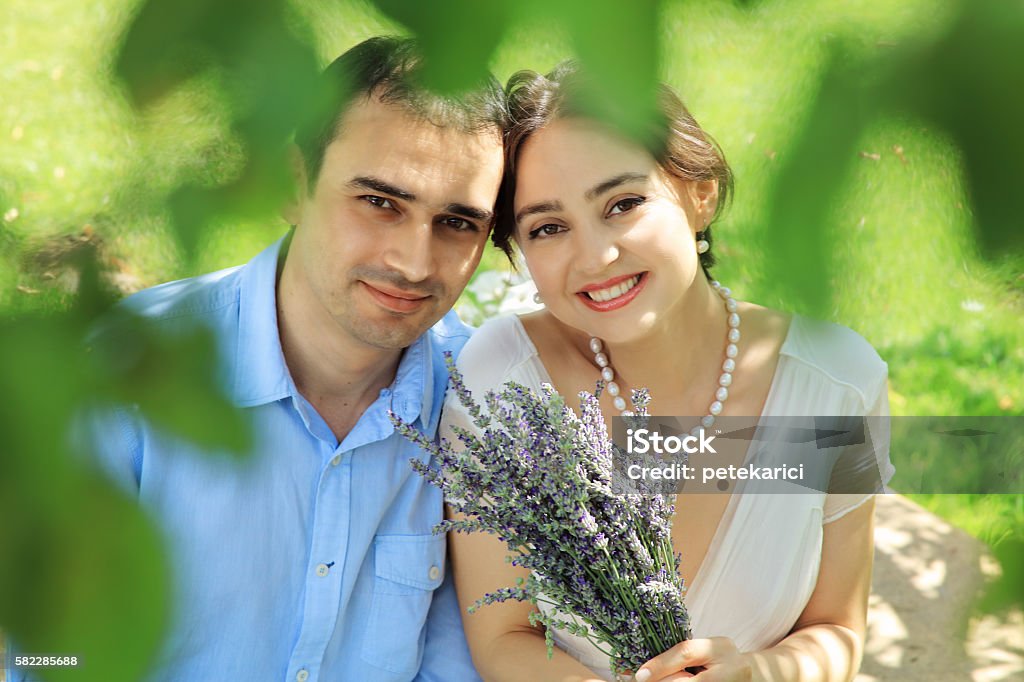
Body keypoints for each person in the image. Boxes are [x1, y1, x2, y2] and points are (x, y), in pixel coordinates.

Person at [12, 37, 504, 682]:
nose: (414, 263)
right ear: (293, 184)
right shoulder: (126, 371)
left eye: (458, 223)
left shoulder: (485, 408)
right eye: (381, 202)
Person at [442, 63, 894, 682]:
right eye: (548, 228)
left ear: (698, 194)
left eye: (623, 204)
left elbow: (837, 628)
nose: (595, 257)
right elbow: (502, 634)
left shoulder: (834, 383)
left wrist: (760, 674)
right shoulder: (503, 380)